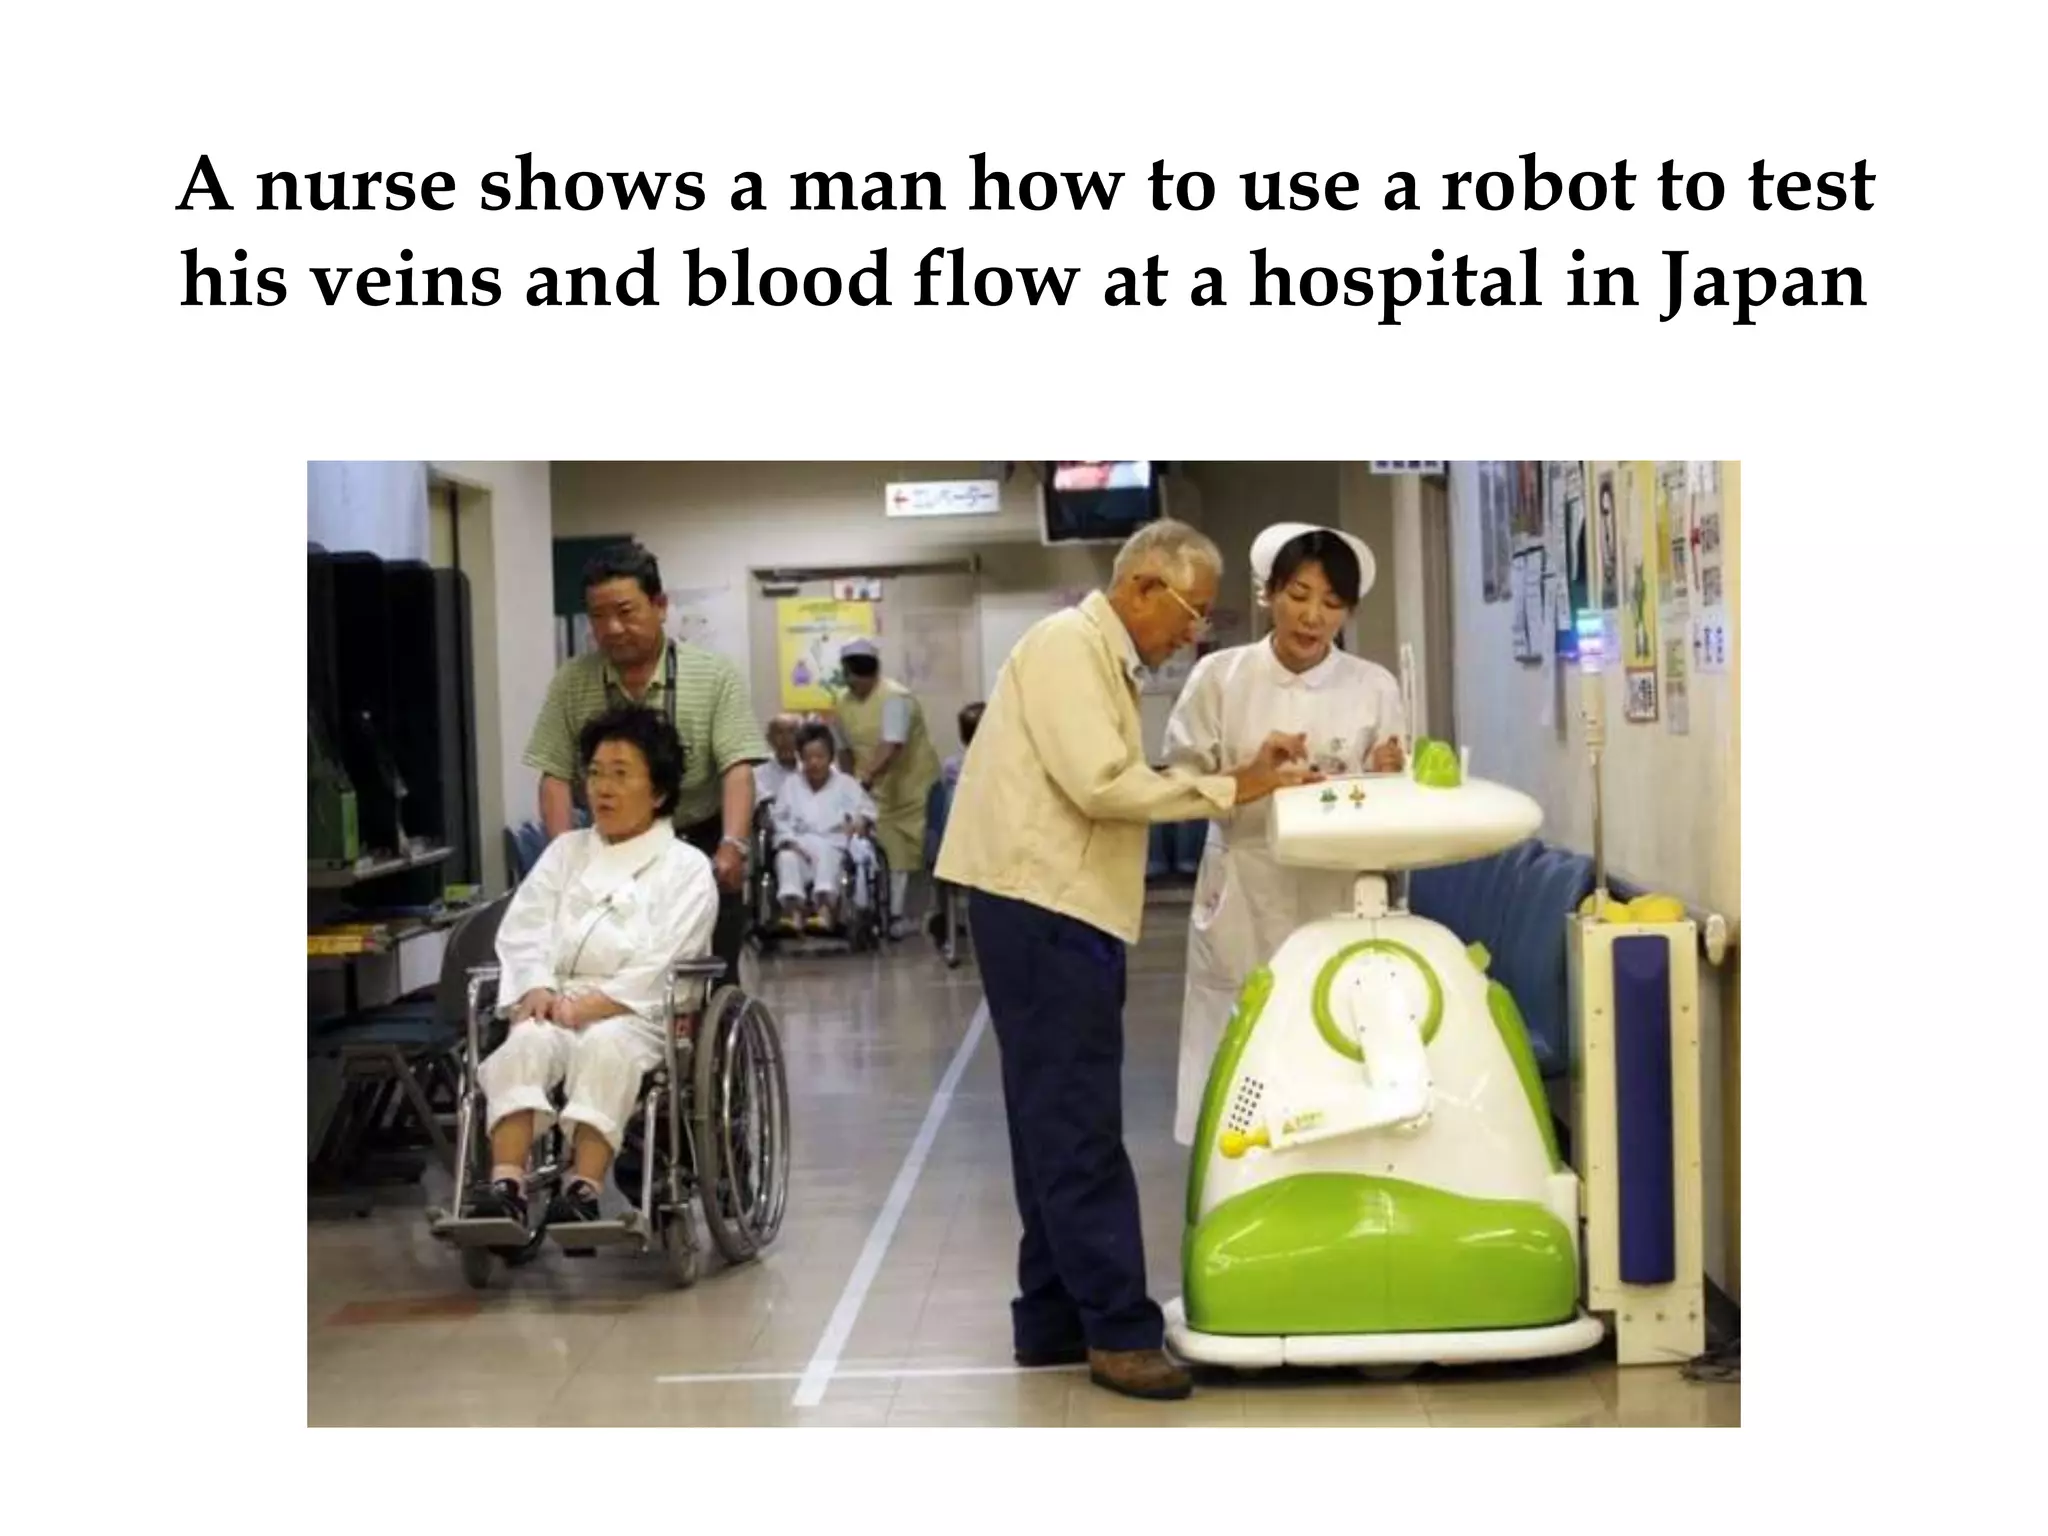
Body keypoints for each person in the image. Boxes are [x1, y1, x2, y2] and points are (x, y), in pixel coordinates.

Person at [935, 519, 1318, 1402]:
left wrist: (1236, 775)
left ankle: (1052, 1316)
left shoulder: (1097, 658)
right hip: (1042, 905)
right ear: (1143, 587)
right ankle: (1117, 1327)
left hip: (1051, 903)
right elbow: (1103, 783)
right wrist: (1235, 784)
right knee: (1076, 1122)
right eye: (1191, 611)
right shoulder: (1068, 646)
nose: (1194, 632)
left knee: (1047, 1121)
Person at [1162, 524, 1408, 1147]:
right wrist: (1251, 778)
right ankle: (1228, 1176)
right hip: (1245, 884)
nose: (1312, 616)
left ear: (1348, 611)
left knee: (1330, 1034)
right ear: (1269, 593)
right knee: (1237, 1036)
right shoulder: (1221, 677)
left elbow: (1393, 798)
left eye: (1331, 603)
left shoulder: (1373, 685)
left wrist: (1386, 778)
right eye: (1299, 595)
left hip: (1338, 891)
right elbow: (1178, 787)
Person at [471, 706, 718, 1233]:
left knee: (608, 1049)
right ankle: (506, 1186)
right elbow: (526, 926)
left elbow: (667, 958)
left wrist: (593, 1005)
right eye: (596, 773)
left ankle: (582, 1188)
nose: (602, 788)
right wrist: (535, 985)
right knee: (524, 1044)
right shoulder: (565, 851)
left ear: (658, 792)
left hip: (635, 1010)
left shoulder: (686, 867)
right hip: (555, 999)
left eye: (621, 774)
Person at [524, 543, 768, 986]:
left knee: (705, 980)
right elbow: (554, 777)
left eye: (625, 611)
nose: (612, 628)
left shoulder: (714, 676)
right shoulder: (572, 683)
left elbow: (738, 769)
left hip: (697, 842)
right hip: (609, 848)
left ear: (660, 606)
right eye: (598, 616)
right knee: (606, 971)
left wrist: (733, 846)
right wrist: (564, 854)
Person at [834, 638, 940, 937]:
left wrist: (865, 779)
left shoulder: (896, 697)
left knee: (907, 853)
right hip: (870, 790)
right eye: (851, 675)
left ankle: (904, 916)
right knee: (874, 850)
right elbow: (844, 747)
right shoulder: (843, 701)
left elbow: (891, 744)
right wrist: (846, 785)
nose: (855, 682)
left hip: (910, 789)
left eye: (859, 675)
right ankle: (877, 912)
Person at [770, 722, 880, 932]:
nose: (814, 763)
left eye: (820, 756)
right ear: (801, 758)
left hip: (833, 842)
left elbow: (867, 811)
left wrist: (860, 823)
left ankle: (825, 911)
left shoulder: (846, 784)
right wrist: (789, 842)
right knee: (786, 858)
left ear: (830, 757)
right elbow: (780, 819)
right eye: (808, 757)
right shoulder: (791, 785)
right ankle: (793, 913)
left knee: (827, 854)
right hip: (798, 844)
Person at [754, 713, 802, 806]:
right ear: (769, 739)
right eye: (779, 732)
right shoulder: (758, 775)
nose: (787, 738)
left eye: (792, 731)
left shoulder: (818, 769)